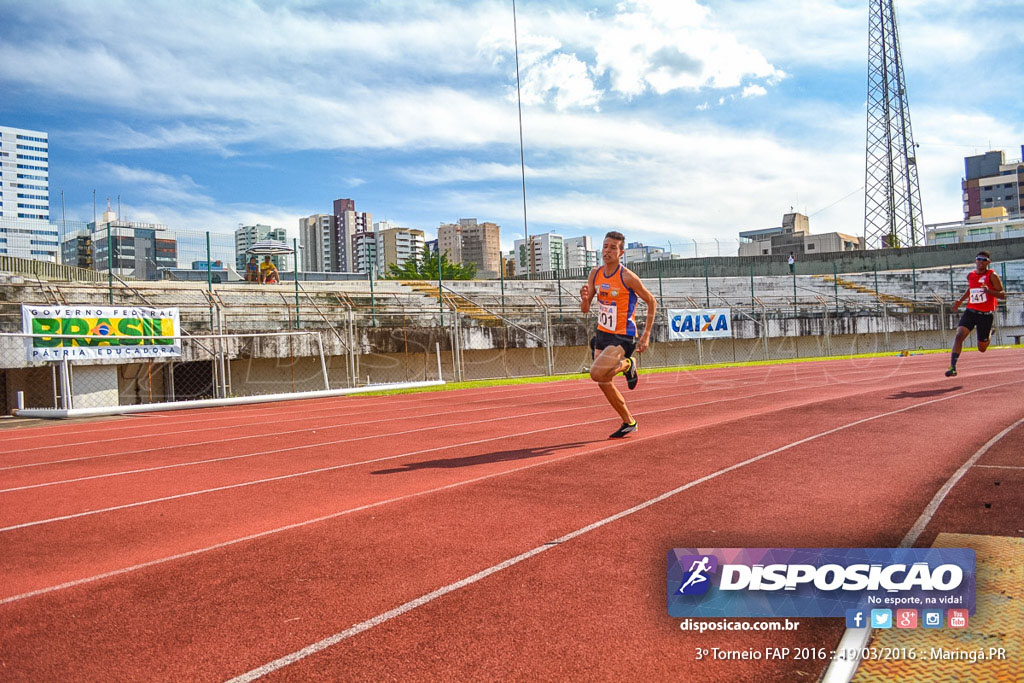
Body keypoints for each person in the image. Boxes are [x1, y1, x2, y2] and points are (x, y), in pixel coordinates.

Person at [580, 231, 657, 438]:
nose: (607, 251)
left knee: (596, 373)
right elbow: (585, 309)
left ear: (621, 252)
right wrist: (585, 299)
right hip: (602, 333)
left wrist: (647, 334)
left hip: (623, 335)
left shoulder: (627, 277)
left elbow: (651, 301)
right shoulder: (595, 274)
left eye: (613, 248)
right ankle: (629, 421)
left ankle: (628, 364)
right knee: (604, 381)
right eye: (605, 246)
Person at [945, 250, 1004, 377]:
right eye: (978, 259)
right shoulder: (971, 275)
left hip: (986, 315)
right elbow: (971, 289)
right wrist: (960, 301)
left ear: (988, 262)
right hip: (970, 311)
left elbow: (1003, 295)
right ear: (975, 261)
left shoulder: (992, 276)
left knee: (982, 348)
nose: (980, 262)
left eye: (983, 260)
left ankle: (989, 333)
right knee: (959, 335)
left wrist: (989, 291)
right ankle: (953, 367)